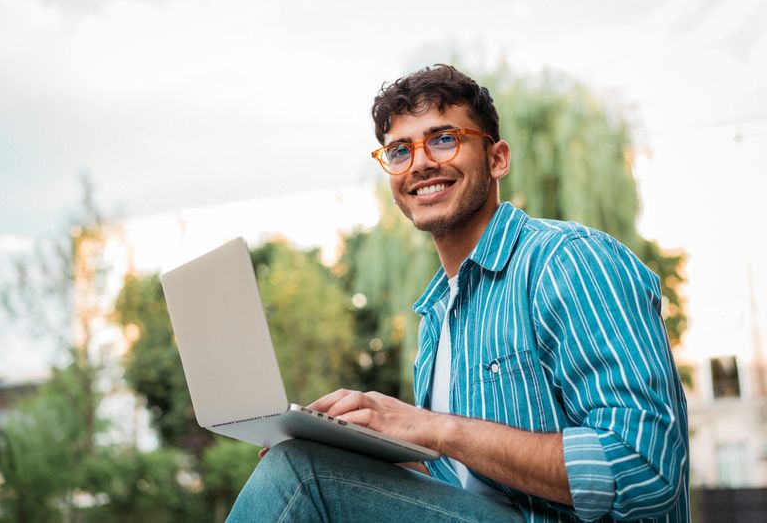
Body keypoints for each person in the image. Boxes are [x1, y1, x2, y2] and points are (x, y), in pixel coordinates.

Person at [227, 65, 689, 522]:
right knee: (312, 463)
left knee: (300, 474)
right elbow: (463, 487)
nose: (421, 162)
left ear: (497, 158)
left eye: (444, 138)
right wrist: (365, 448)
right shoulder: (437, 314)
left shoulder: (568, 261)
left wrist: (436, 429)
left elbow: (645, 470)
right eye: (400, 150)